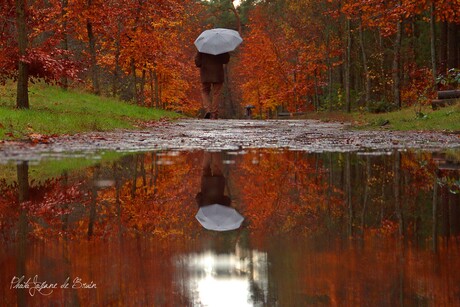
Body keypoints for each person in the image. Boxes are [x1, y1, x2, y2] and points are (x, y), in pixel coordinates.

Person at [195, 52, 230, 119]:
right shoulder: (221, 47)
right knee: (216, 93)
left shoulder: (202, 47)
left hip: (206, 73)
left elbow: (197, 62)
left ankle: (208, 110)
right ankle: (214, 114)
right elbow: (226, 60)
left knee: (205, 91)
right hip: (218, 74)